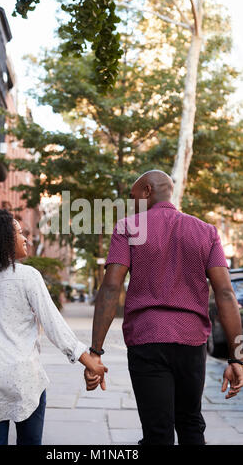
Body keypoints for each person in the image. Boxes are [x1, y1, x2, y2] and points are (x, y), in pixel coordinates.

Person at [84, 169, 243, 445]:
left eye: (133, 197)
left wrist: (95, 351)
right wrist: (237, 356)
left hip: (147, 340)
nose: (132, 205)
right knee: (191, 422)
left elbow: (111, 287)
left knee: (157, 432)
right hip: (191, 343)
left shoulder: (128, 227)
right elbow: (226, 294)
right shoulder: (207, 232)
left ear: (147, 191)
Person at [0, 209, 107, 446]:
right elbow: (54, 325)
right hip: (25, 378)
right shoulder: (27, 276)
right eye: (18, 232)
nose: (26, 238)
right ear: (2, 239)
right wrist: (90, 363)